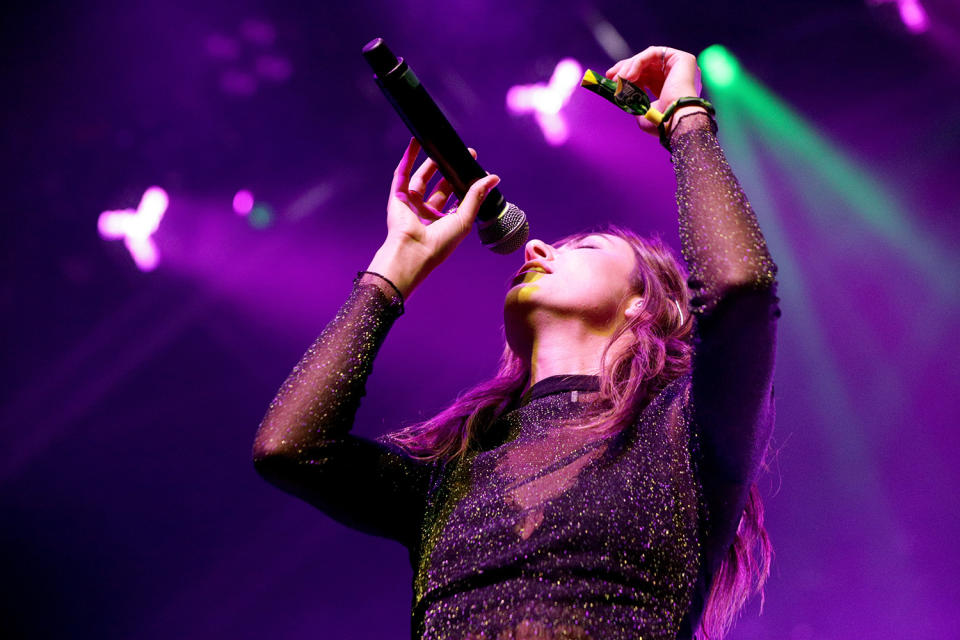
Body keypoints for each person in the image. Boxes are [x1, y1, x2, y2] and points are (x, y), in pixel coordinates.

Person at [252, 45, 778, 640]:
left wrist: (687, 114)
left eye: (583, 247)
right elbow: (290, 449)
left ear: (644, 307)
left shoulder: (687, 430)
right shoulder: (450, 477)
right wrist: (391, 271)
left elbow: (739, 288)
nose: (535, 248)